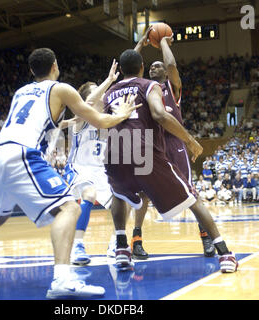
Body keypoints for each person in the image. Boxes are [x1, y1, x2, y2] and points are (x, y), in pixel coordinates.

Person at [0, 48, 140, 298]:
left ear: (31, 71)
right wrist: (121, 114)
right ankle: (62, 280)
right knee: (70, 208)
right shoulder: (60, 89)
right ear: (55, 66)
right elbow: (97, 119)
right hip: (22, 155)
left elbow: (52, 123)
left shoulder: (21, 92)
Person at [103, 48, 238, 273]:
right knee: (192, 198)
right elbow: (160, 114)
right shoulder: (148, 86)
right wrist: (190, 139)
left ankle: (121, 249)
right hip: (146, 150)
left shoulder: (110, 91)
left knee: (119, 193)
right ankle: (224, 253)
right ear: (142, 68)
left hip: (115, 151)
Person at [133, 29, 215, 257]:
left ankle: (206, 237)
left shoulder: (172, 87)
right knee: (143, 194)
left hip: (174, 144)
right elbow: (129, 68)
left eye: (157, 66)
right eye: (150, 66)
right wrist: (140, 45)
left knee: (189, 192)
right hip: (150, 144)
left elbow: (171, 67)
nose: (153, 68)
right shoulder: (144, 89)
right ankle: (136, 240)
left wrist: (164, 43)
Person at [60, 60, 122, 265]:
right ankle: (77, 245)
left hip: (99, 171)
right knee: (89, 194)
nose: (102, 96)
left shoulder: (106, 119)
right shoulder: (81, 118)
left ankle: (116, 243)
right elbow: (87, 104)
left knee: (122, 201)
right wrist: (109, 80)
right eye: (96, 93)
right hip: (78, 168)